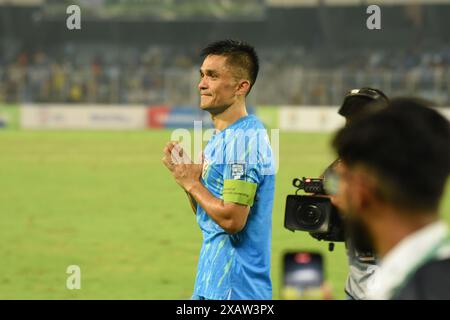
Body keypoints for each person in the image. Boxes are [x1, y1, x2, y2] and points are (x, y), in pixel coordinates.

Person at [162, 40, 276, 300]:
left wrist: (192, 183)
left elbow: (233, 220)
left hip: (236, 289)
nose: (201, 84)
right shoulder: (221, 139)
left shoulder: (244, 141)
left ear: (241, 86)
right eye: (202, 75)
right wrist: (188, 181)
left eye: (212, 76)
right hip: (211, 283)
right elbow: (209, 217)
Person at [331, 97, 450, 299]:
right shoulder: (425, 274)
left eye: (341, 182)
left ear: (362, 192)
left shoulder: (409, 290)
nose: (335, 198)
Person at [319, 87, 389, 300]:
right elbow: (326, 183)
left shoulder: (397, 168)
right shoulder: (346, 164)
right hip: (356, 288)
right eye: (350, 120)